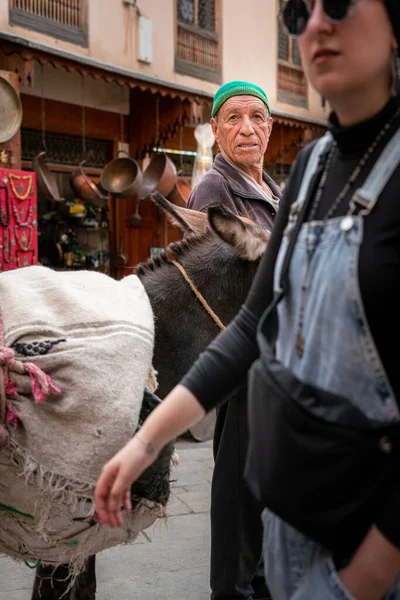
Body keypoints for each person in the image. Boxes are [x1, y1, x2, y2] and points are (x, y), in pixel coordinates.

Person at [95, 1, 400, 599]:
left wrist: (370, 568)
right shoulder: (310, 171)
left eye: (337, 3)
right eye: (296, 13)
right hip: (292, 509)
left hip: (367, 533)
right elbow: (251, 324)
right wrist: (144, 440)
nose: (314, 25)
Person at [186, 80, 281, 600]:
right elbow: (205, 287)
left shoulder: (275, 192)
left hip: (277, 365)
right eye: (235, 118)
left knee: (266, 489)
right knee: (238, 495)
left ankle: (261, 585)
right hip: (243, 364)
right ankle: (233, 591)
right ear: (218, 129)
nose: (248, 128)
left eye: (258, 117)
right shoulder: (213, 191)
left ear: (270, 127)